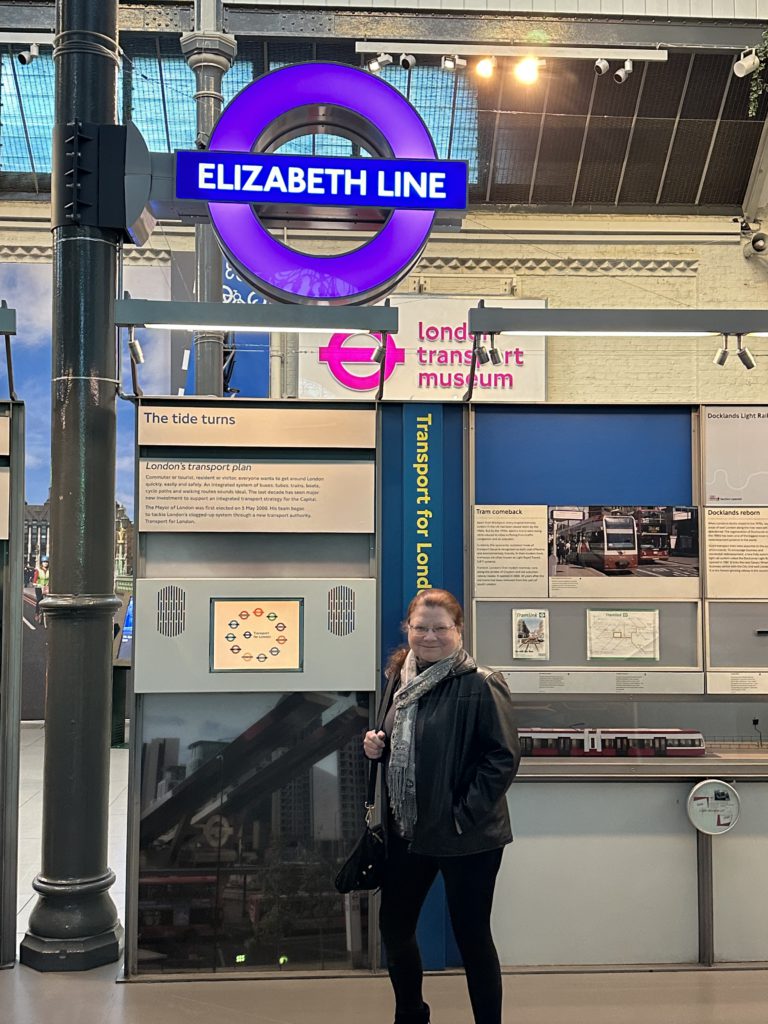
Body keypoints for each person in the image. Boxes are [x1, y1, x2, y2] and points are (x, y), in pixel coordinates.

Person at [363, 588, 519, 1024]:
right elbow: (397, 739)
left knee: (472, 937)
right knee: (394, 926)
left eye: (440, 628)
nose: (429, 636)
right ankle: (411, 1013)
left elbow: (502, 759)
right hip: (407, 831)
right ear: (407, 629)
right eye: (420, 627)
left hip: (466, 836)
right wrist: (377, 745)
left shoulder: (482, 683)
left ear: (459, 631)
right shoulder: (400, 677)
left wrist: (458, 817)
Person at [33, 556, 50, 622]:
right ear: (42, 563)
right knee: (39, 599)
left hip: (46, 587)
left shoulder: (49, 570)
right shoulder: (38, 570)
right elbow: (35, 580)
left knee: (48, 600)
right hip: (39, 587)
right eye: (44, 562)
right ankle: (37, 613)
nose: (45, 563)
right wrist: (36, 584)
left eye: (46, 562)